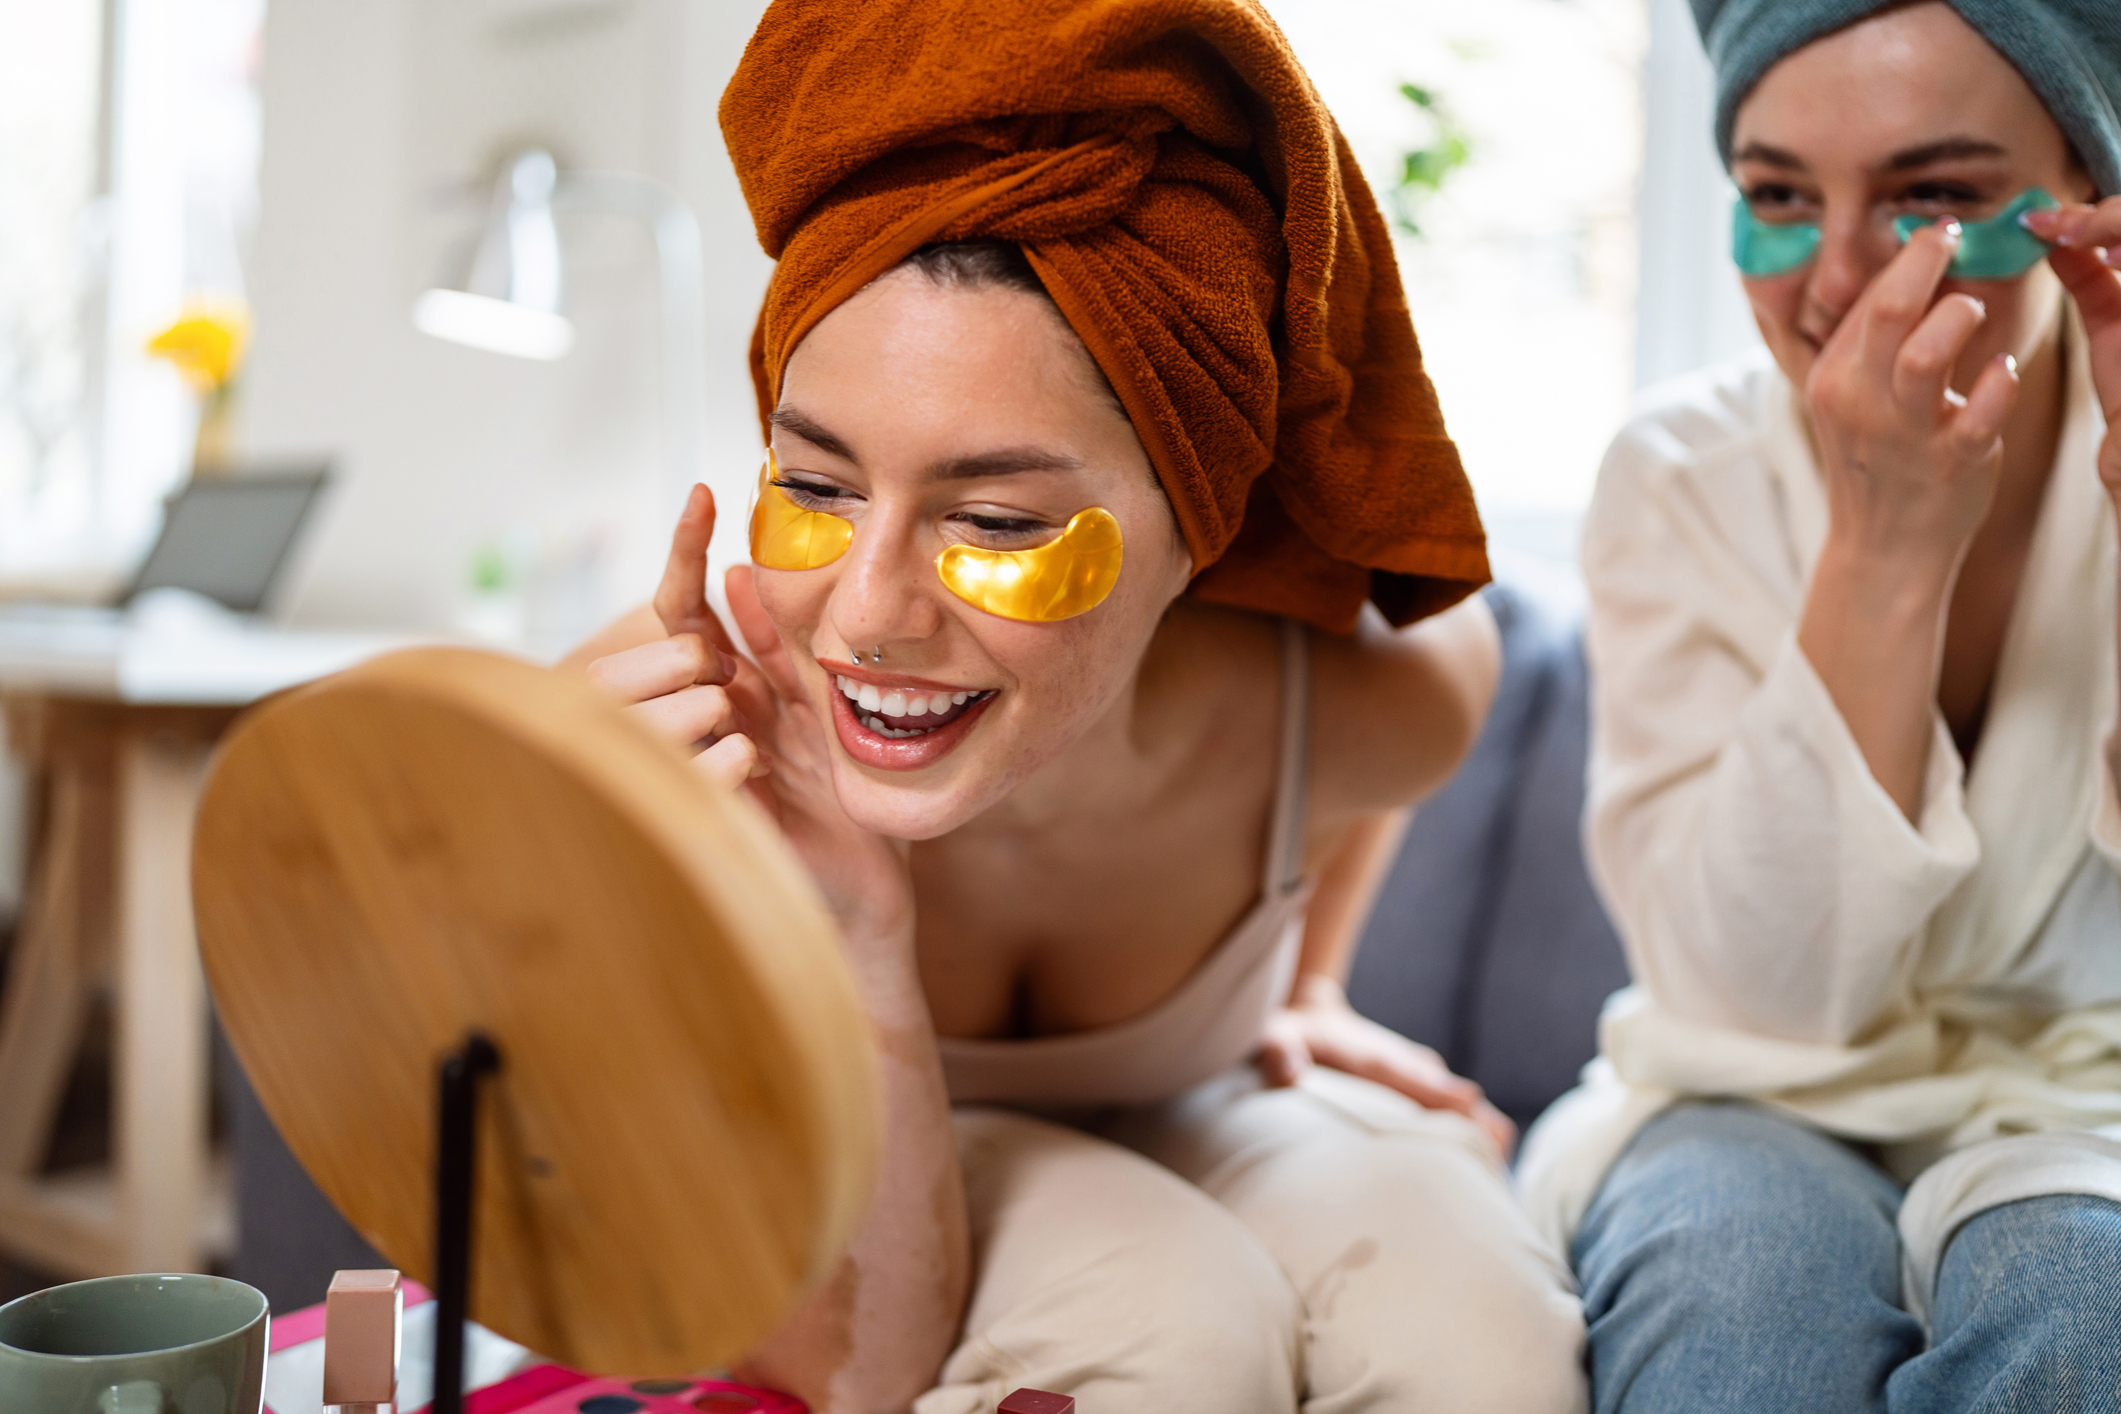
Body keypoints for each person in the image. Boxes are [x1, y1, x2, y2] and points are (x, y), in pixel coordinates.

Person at [566, 1, 1588, 1411]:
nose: (865, 609)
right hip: (864, 1190)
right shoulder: (688, 712)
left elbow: (1405, 737)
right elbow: (844, 1356)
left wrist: (1309, 982)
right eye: (812, 486)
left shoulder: (1365, 701)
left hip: (1204, 1108)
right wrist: (826, 927)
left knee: (1479, 1342)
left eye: (990, 517)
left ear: (1198, 528)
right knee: (1173, 1332)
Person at [1515, 1, 2121, 1409]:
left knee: (2078, 1295)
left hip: (2087, 1113)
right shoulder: (1675, 474)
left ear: (2084, 205)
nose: (1836, 278)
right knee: (1735, 1290)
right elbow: (1753, 998)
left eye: (1933, 196)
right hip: (1740, 1090)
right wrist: (1882, 548)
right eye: (1776, 197)